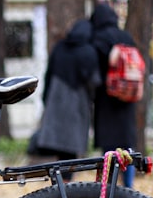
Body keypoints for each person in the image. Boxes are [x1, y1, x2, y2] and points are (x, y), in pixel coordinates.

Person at [27, 19, 100, 163]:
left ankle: (59, 180)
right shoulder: (88, 51)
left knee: (57, 144)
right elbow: (94, 81)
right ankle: (66, 181)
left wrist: (46, 98)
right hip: (77, 103)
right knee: (70, 146)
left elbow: (49, 74)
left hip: (56, 100)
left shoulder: (60, 47)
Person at [90, 2, 138, 187]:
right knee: (127, 146)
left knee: (108, 148)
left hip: (106, 98)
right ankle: (129, 185)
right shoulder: (125, 36)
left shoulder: (97, 38)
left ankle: (109, 187)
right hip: (127, 98)